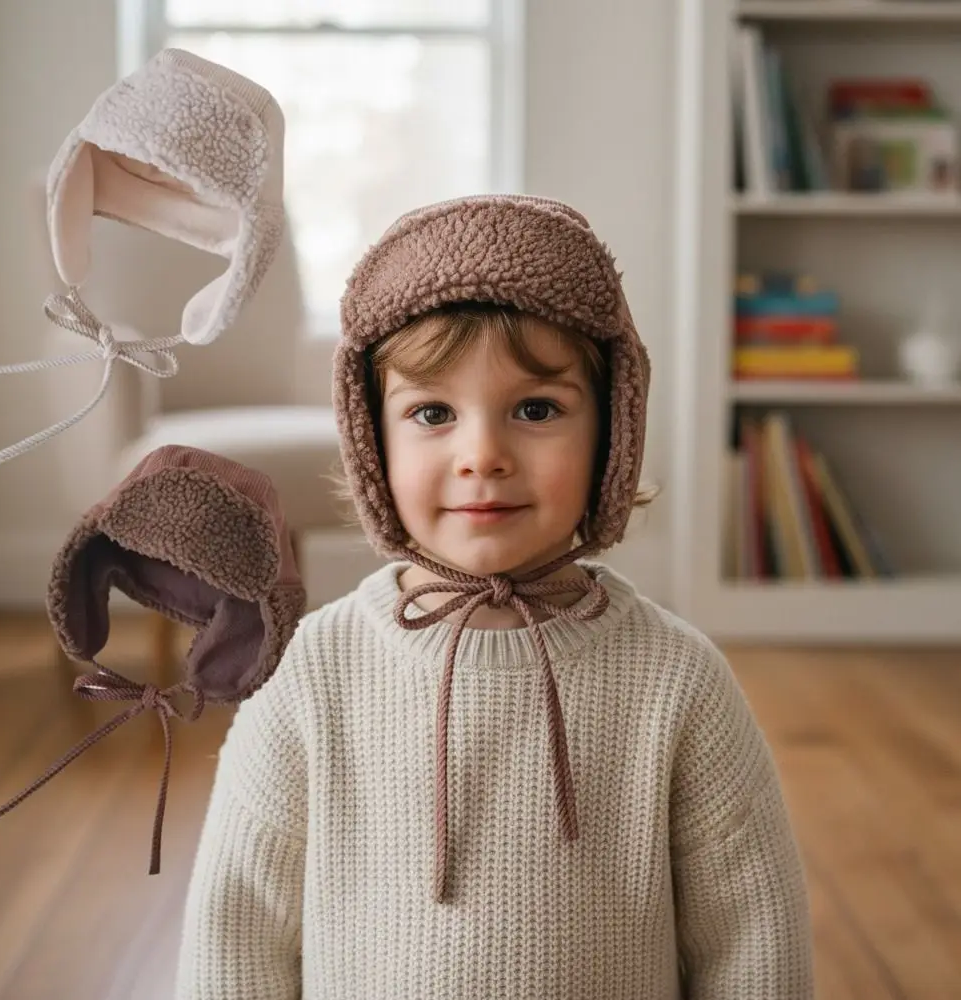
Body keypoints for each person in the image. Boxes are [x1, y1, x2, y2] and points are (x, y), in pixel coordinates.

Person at [173, 194, 814, 999]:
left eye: (536, 409)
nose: (483, 454)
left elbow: (754, 942)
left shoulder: (676, 680)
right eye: (432, 412)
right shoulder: (313, 674)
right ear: (373, 440)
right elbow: (237, 936)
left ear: (613, 431)